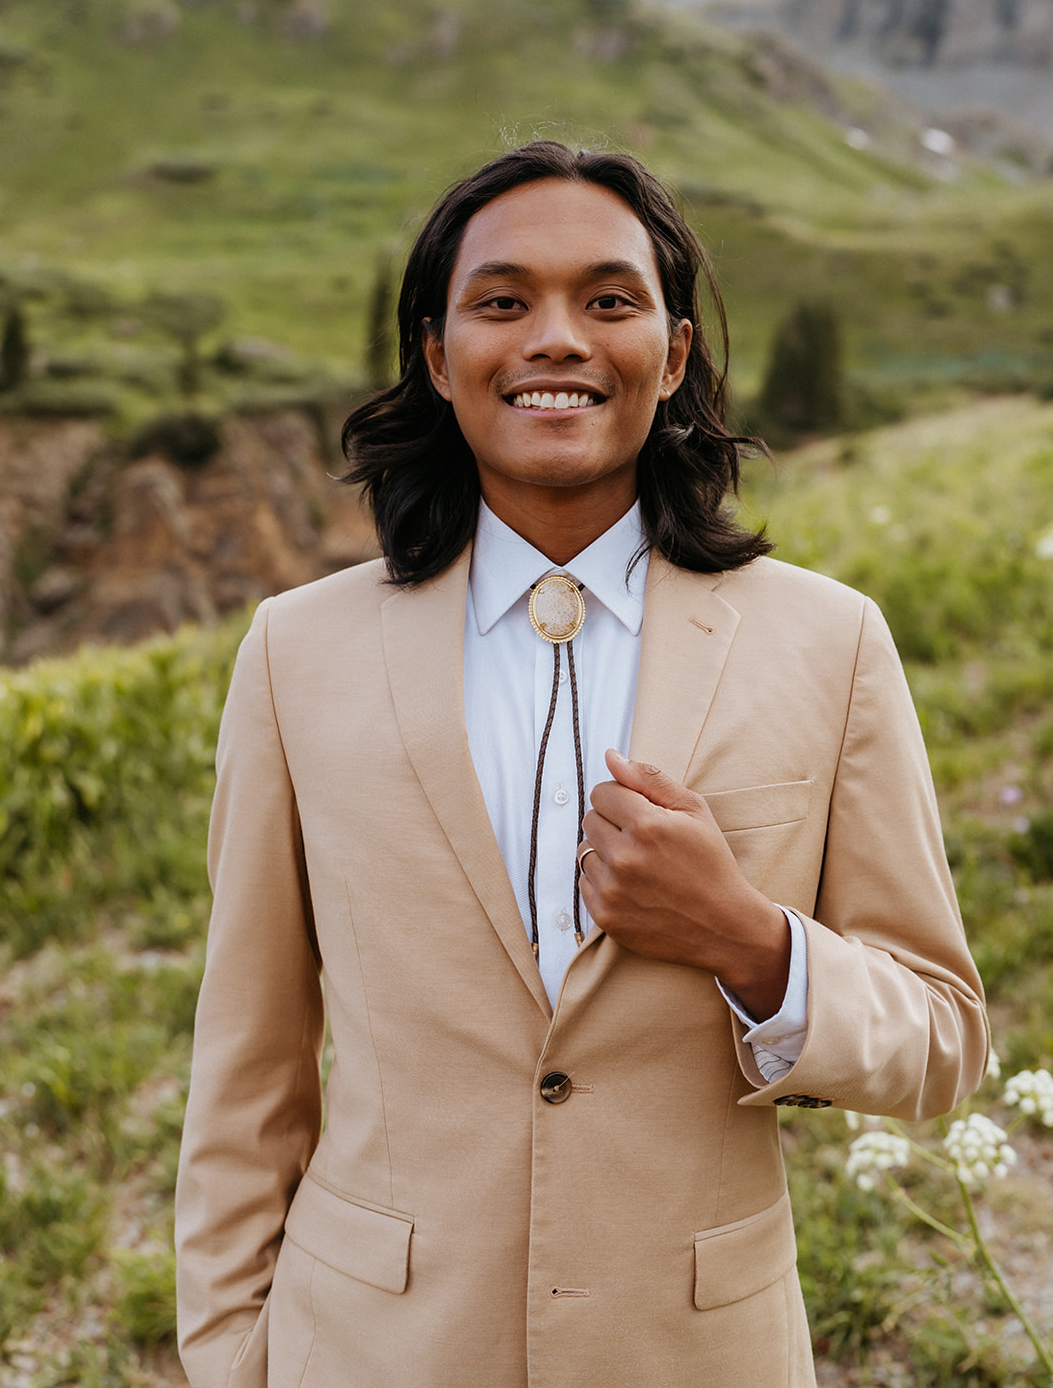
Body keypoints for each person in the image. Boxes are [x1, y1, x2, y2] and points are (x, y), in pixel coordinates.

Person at [175, 141, 988, 1388]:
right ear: (439, 357)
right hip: (370, 1350)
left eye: (606, 300)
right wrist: (232, 1358)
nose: (554, 338)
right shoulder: (296, 654)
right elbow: (248, 1067)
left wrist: (746, 939)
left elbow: (939, 1034)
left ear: (669, 356)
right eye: (502, 301)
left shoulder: (830, 643)